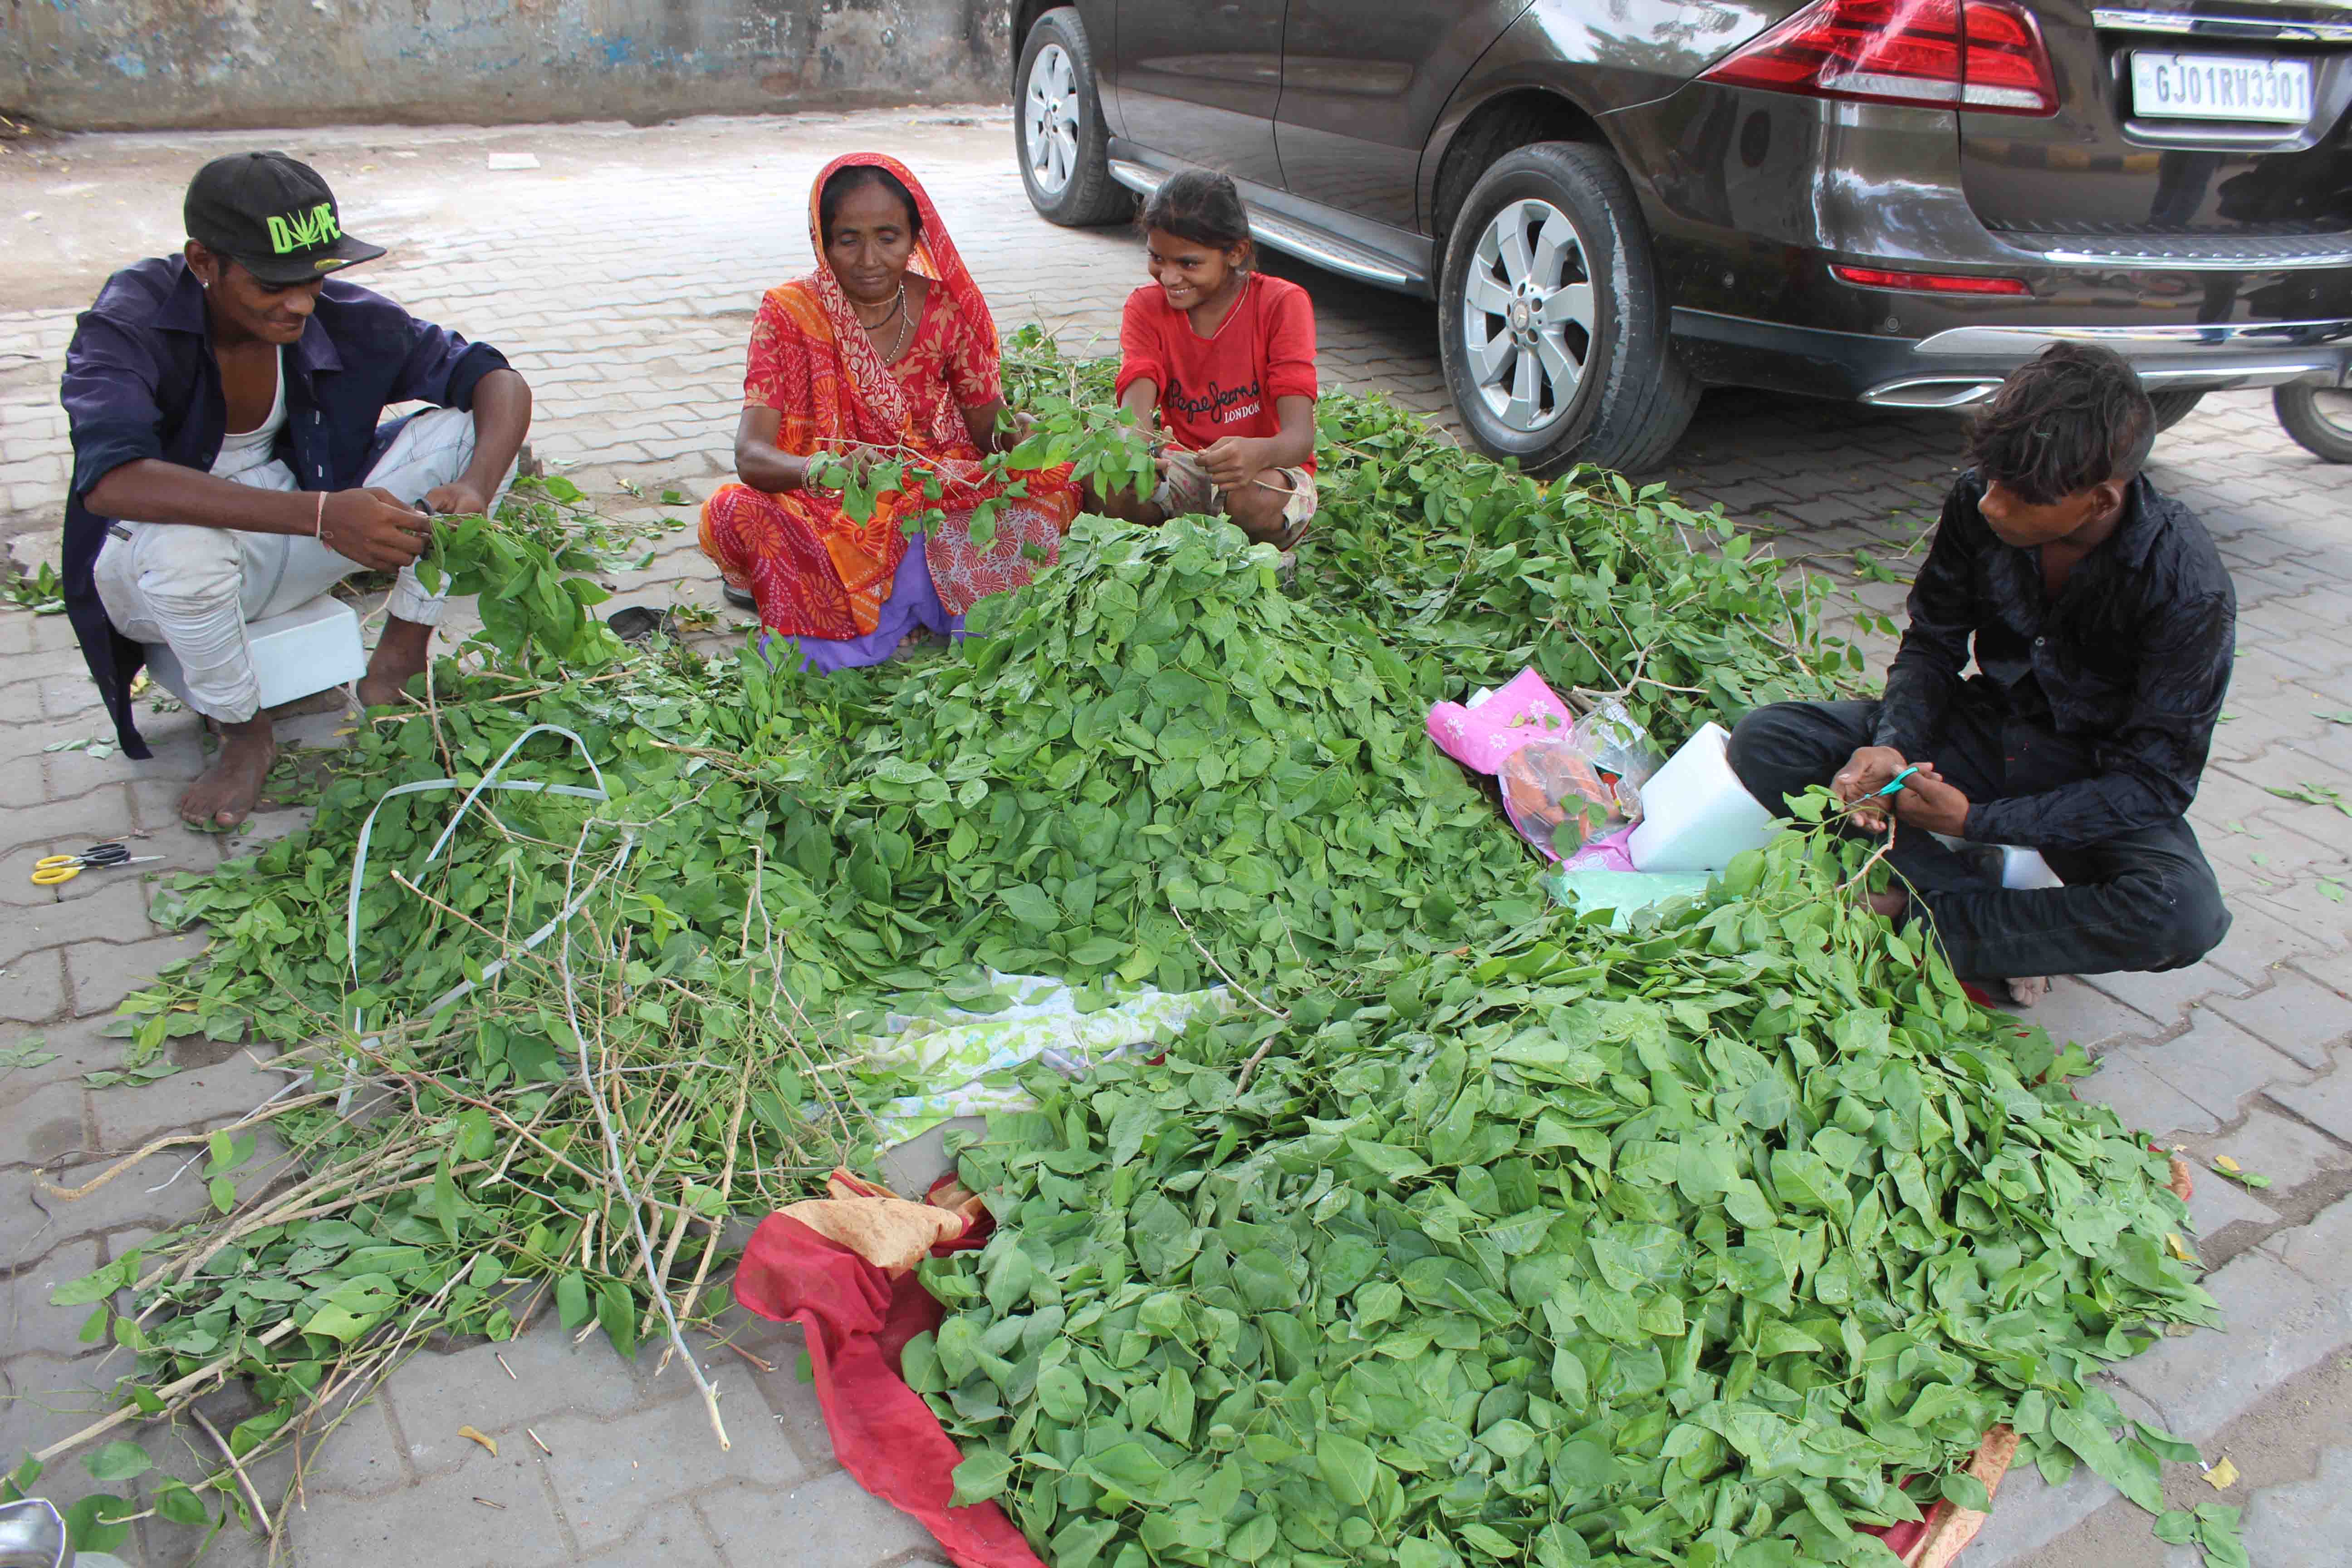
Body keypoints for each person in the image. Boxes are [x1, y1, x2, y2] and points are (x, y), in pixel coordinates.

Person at [1725, 343, 2234, 1001]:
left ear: (2100, 502)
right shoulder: (1978, 502)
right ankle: (1988, 920)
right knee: (1770, 739)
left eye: (2019, 496)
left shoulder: (2188, 587)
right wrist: (1895, 747)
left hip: (2094, 779)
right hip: (1986, 731)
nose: (1992, 504)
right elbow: (1933, 643)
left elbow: (2156, 784)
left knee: (2183, 914)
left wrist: (1974, 823)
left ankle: (1916, 918)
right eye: (1990, 479)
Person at [61, 151, 532, 831]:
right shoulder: (128, 322)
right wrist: (320, 515)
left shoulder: (337, 314)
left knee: (471, 436)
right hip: (158, 577)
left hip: (299, 541)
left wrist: (475, 487)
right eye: (272, 283)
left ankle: (398, 659)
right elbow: (112, 481)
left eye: (314, 278)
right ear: (203, 262)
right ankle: (243, 732)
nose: (302, 303)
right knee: (184, 550)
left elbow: (496, 378)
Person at [699, 153, 1083, 669]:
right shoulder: (789, 313)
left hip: (929, 487)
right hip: (826, 499)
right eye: (848, 240)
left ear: (915, 238)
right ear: (822, 241)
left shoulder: (943, 308)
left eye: (888, 238)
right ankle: (901, 612)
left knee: (1051, 487)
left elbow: (988, 429)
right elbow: (751, 455)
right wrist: (823, 469)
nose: (869, 260)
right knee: (733, 509)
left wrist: (1023, 436)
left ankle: (901, 611)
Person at [1099, 170, 1319, 549]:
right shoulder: (1145, 307)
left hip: (1267, 470)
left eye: (1188, 263)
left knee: (1251, 500)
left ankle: (1253, 555)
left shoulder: (1281, 304)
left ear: (1235, 253)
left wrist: (1258, 453)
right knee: (1110, 484)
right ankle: (1178, 544)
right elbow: (1135, 406)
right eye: (1157, 258)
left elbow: (1300, 438)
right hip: (1184, 467)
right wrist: (1136, 456)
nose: (1169, 278)